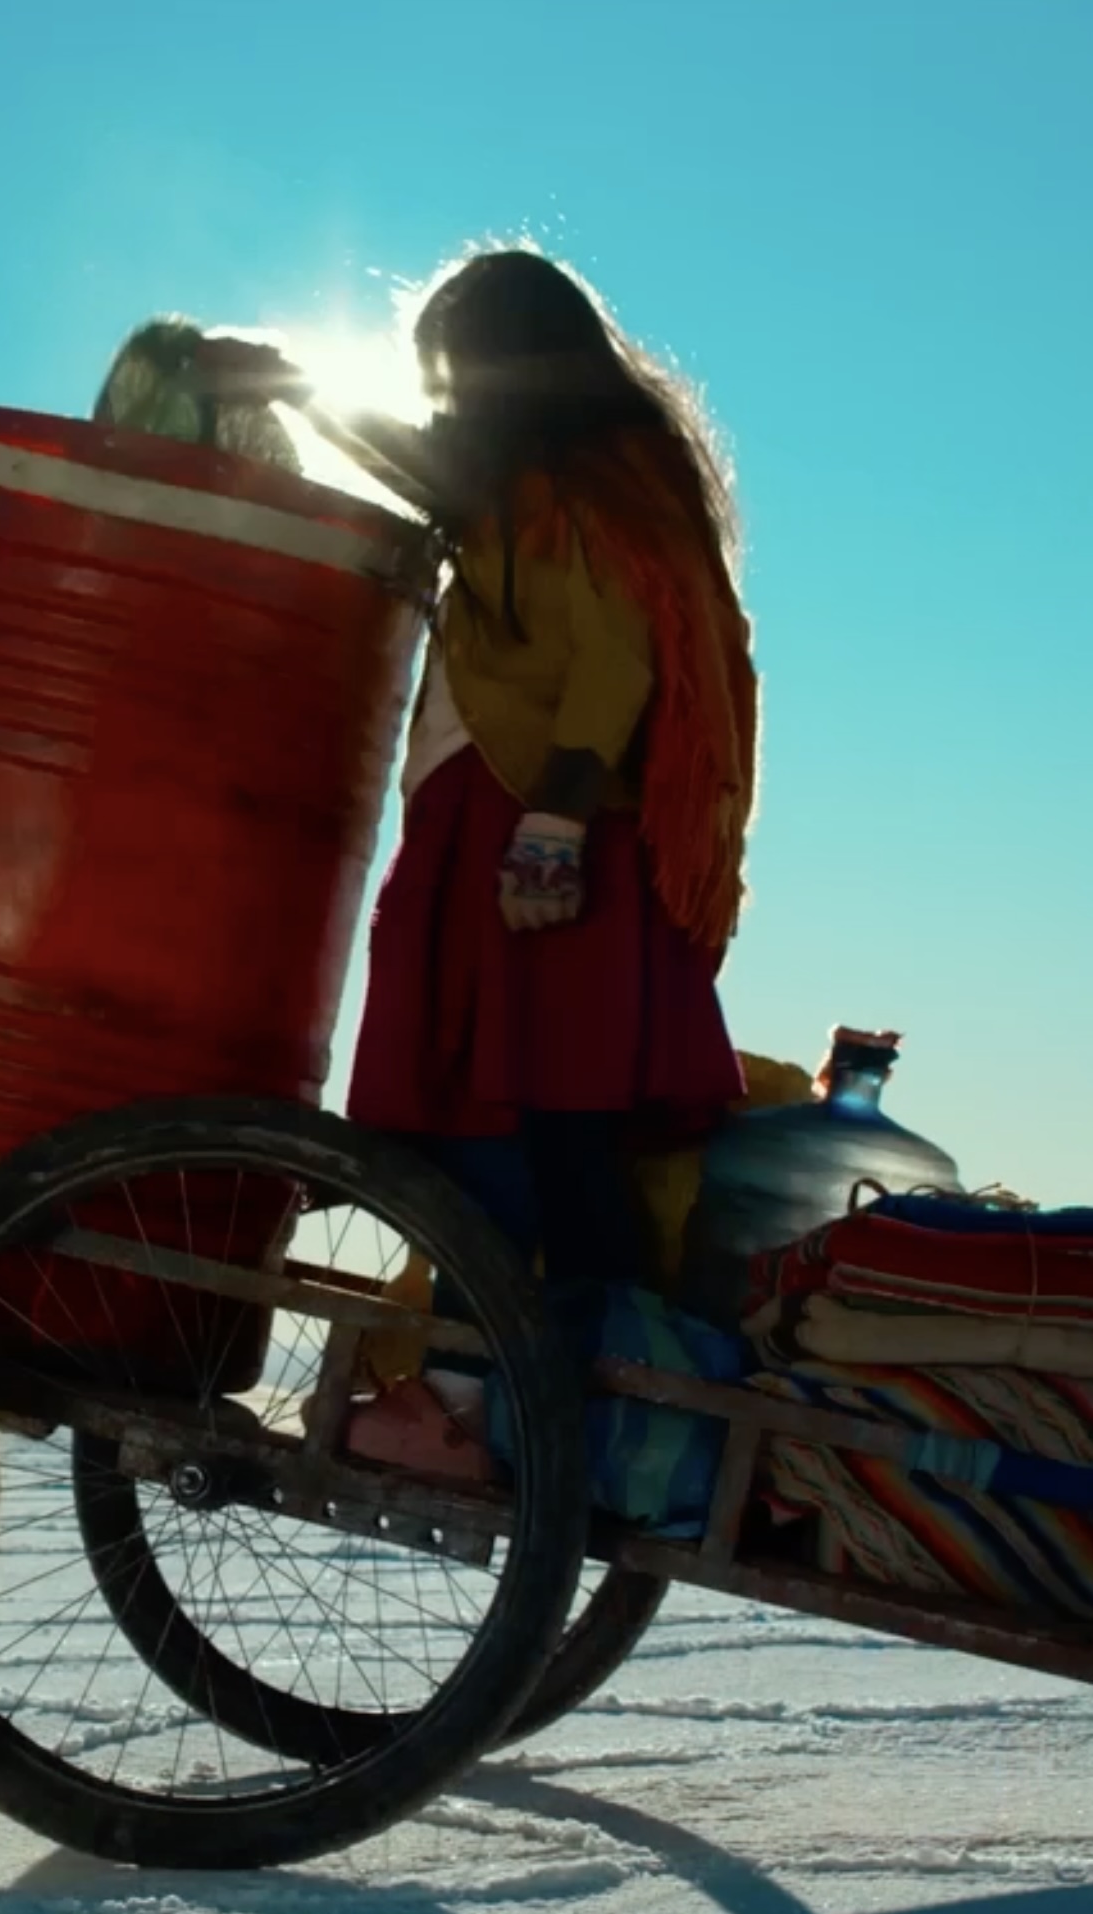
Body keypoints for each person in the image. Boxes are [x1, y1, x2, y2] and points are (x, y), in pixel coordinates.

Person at [229, 251, 760, 1296]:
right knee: (492, 1114)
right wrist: (291, 387)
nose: (444, 399)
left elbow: (617, 659)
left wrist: (553, 827)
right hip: (489, 832)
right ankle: (505, 1357)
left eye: (453, 373)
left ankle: (561, 1363)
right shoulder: (518, 492)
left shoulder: (594, 492)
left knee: (551, 1127)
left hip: (541, 841)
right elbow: (415, 464)